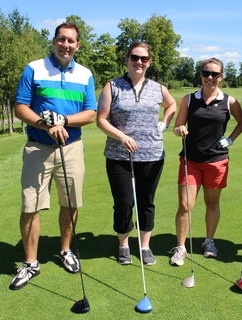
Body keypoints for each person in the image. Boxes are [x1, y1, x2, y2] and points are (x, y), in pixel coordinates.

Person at [9, 22, 97, 290]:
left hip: (71, 148)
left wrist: (64, 120)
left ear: (78, 45)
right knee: (30, 206)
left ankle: (65, 250)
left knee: (70, 204)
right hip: (38, 147)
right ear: (54, 41)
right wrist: (45, 124)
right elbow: (20, 107)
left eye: (71, 41)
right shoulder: (34, 68)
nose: (66, 45)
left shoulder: (84, 74)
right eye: (61, 39)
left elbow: (90, 113)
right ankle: (31, 263)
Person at [97, 42, 176, 266]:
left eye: (144, 59)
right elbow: (101, 119)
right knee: (123, 202)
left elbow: (171, 105)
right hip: (119, 156)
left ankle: (144, 246)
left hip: (152, 154)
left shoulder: (158, 88)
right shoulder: (112, 86)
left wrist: (164, 123)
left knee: (146, 202)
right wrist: (121, 136)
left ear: (149, 62)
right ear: (127, 59)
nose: (139, 62)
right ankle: (123, 244)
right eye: (135, 57)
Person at [169, 58, 242, 266]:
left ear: (221, 77)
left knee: (212, 203)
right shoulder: (188, 99)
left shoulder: (229, 102)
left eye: (214, 74)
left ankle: (209, 242)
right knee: (185, 205)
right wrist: (180, 129)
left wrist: (230, 139)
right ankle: (181, 247)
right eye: (206, 73)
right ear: (201, 75)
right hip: (190, 160)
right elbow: (177, 125)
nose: (209, 77)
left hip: (216, 161)